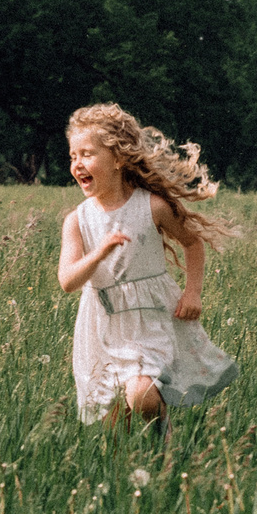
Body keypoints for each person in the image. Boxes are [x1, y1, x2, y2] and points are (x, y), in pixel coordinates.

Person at [56, 102, 237, 432]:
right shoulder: (76, 221)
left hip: (148, 320)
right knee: (113, 427)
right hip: (102, 325)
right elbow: (68, 281)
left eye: (87, 154)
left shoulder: (152, 206)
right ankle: (135, 472)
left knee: (142, 396)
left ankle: (164, 443)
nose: (77, 164)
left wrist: (193, 292)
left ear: (119, 159)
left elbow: (192, 243)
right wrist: (99, 252)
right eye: (73, 156)